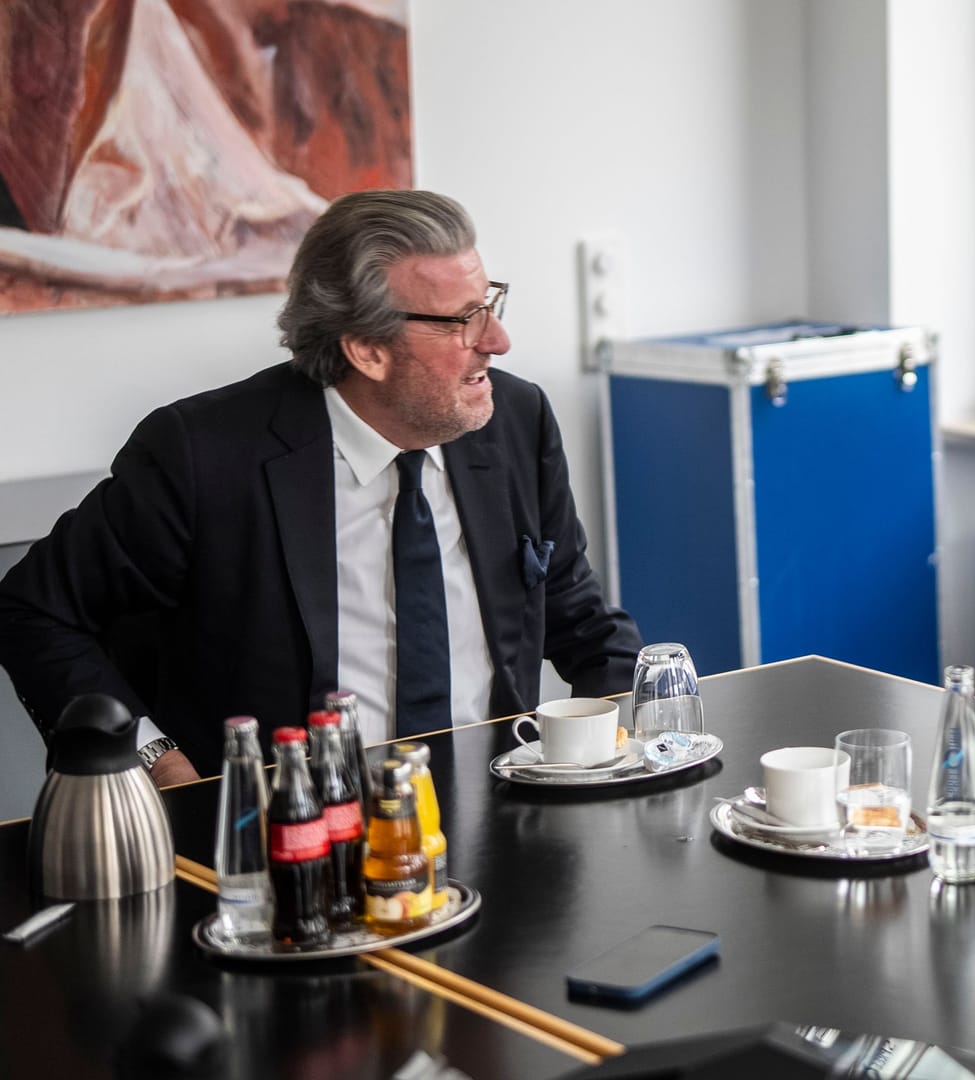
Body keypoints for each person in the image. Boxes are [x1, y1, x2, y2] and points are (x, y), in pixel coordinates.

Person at [0, 190, 641, 786]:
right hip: (288, 836)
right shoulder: (202, 454)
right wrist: (153, 761)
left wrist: (653, 731)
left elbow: (572, 610)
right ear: (366, 349)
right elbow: (32, 611)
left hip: (498, 812)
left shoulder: (516, 421)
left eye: (490, 305)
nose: (496, 341)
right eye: (461, 322)